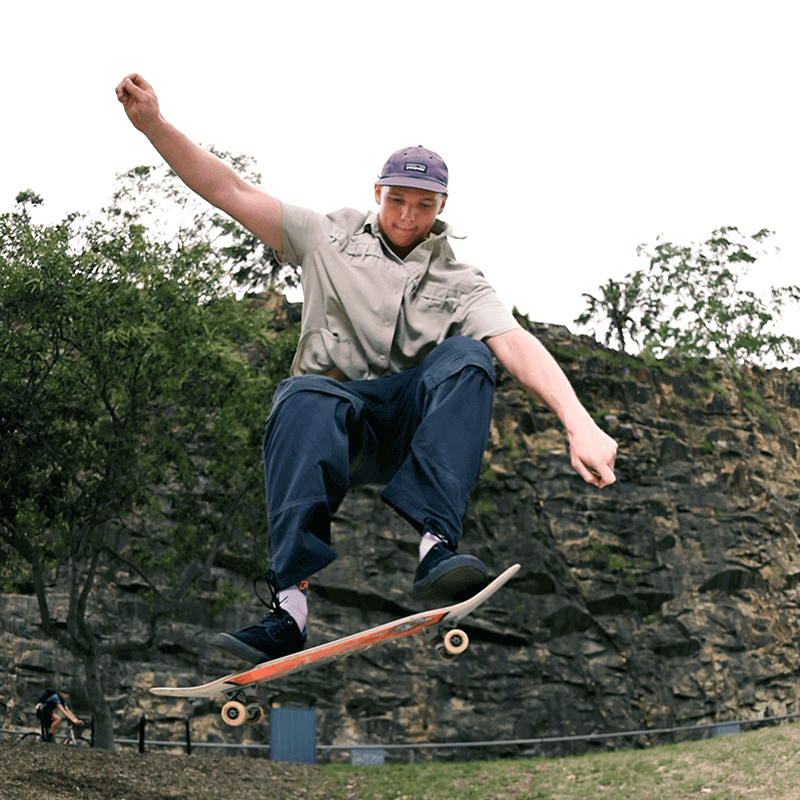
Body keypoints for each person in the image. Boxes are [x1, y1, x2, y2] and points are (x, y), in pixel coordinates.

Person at [116, 73, 618, 665]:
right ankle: (289, 608)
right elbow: (227, 189)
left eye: (424, 205)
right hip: (333, 428)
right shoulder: (323, 235)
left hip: (407, 436)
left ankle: (436, 548)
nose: (408, 216)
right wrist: (154, 125)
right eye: (397, 200)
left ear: (442, 206)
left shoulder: (462, 282)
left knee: (471, 356)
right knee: (303, 393)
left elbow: (516, 343)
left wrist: (578, 422)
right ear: (377, 191)